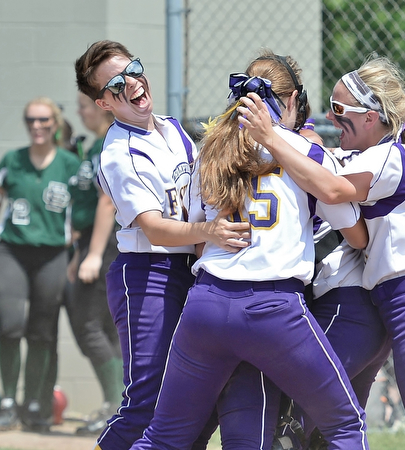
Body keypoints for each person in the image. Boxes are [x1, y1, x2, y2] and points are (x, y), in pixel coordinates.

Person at [129, 54, 371, 450]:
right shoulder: (306, 151)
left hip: (205, 305)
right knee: (345, 425)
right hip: (272, 308)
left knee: (163, 437)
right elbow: (355, 236)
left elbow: (197, 238)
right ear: (291, 101)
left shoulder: (211, 149)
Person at [239, 55, 405, 450]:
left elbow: (330, 189)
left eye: (340, 110)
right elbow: (321, 161)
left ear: (370, 117)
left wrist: (271, 137)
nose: (332, 119)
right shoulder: (372, 155)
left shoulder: (389, 156)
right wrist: (299, 132)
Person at [74, 40, 250, 450]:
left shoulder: (170, 126)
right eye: (115, 84)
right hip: (147, 276)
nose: (131, 83)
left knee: (190, 398)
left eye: (132, 70)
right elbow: (154, 228)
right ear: (104, 104)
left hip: (187, 270)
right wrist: (209, 233)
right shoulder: (120, 153)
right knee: (145, 402)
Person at [0, 97, 82, 432]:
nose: (37, 126)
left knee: (42, 332)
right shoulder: (12, 161)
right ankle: (7, 403)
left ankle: (33, 403)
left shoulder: (70, 165)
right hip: (12, 252)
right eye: (31, 119)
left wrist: (72, 238)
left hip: (52, 255)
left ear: (55, 123)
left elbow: (87, 208)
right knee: (10, 325)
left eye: (44, 120)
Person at [67, 92, 123, 436]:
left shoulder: (109, 143)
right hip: (92, 244)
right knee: (104, 327)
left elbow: (107, 203)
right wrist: (80, 251)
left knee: (89, 326)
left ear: (101, 109)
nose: (80, 113)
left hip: (107, 246)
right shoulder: (92, 146)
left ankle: (115, 404)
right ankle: (117, 404)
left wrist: (93, 255)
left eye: (84, 106)